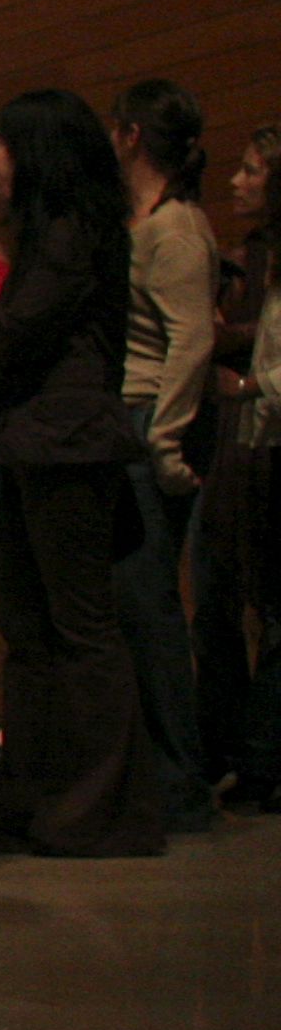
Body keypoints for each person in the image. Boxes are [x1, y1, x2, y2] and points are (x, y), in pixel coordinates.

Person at [0, 88, 161, 858]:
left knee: (79, 627)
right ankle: (39, 790)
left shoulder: (74, 232)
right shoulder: (53, 231)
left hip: (67, 443)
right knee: (28, 628)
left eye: (4, 146)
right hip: (32, 442)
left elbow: (18, 327)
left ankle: (98, 806)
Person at [112, 78, 218, 830]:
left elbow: (192, 340)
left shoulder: (177, 230)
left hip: (153, 418)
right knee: (134, 607)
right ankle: (160, 774)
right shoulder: (143, 222)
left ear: (133, 138)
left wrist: (166, 436)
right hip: (134, 415)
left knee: (151, 611)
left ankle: (181, 783)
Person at [214, 127, 281, 806]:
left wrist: (249, 385)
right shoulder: (258, 257)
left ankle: (262, 759)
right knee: (255, 598)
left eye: (253, 170)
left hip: (269, 430)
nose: (237, 181)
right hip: (263, 444)